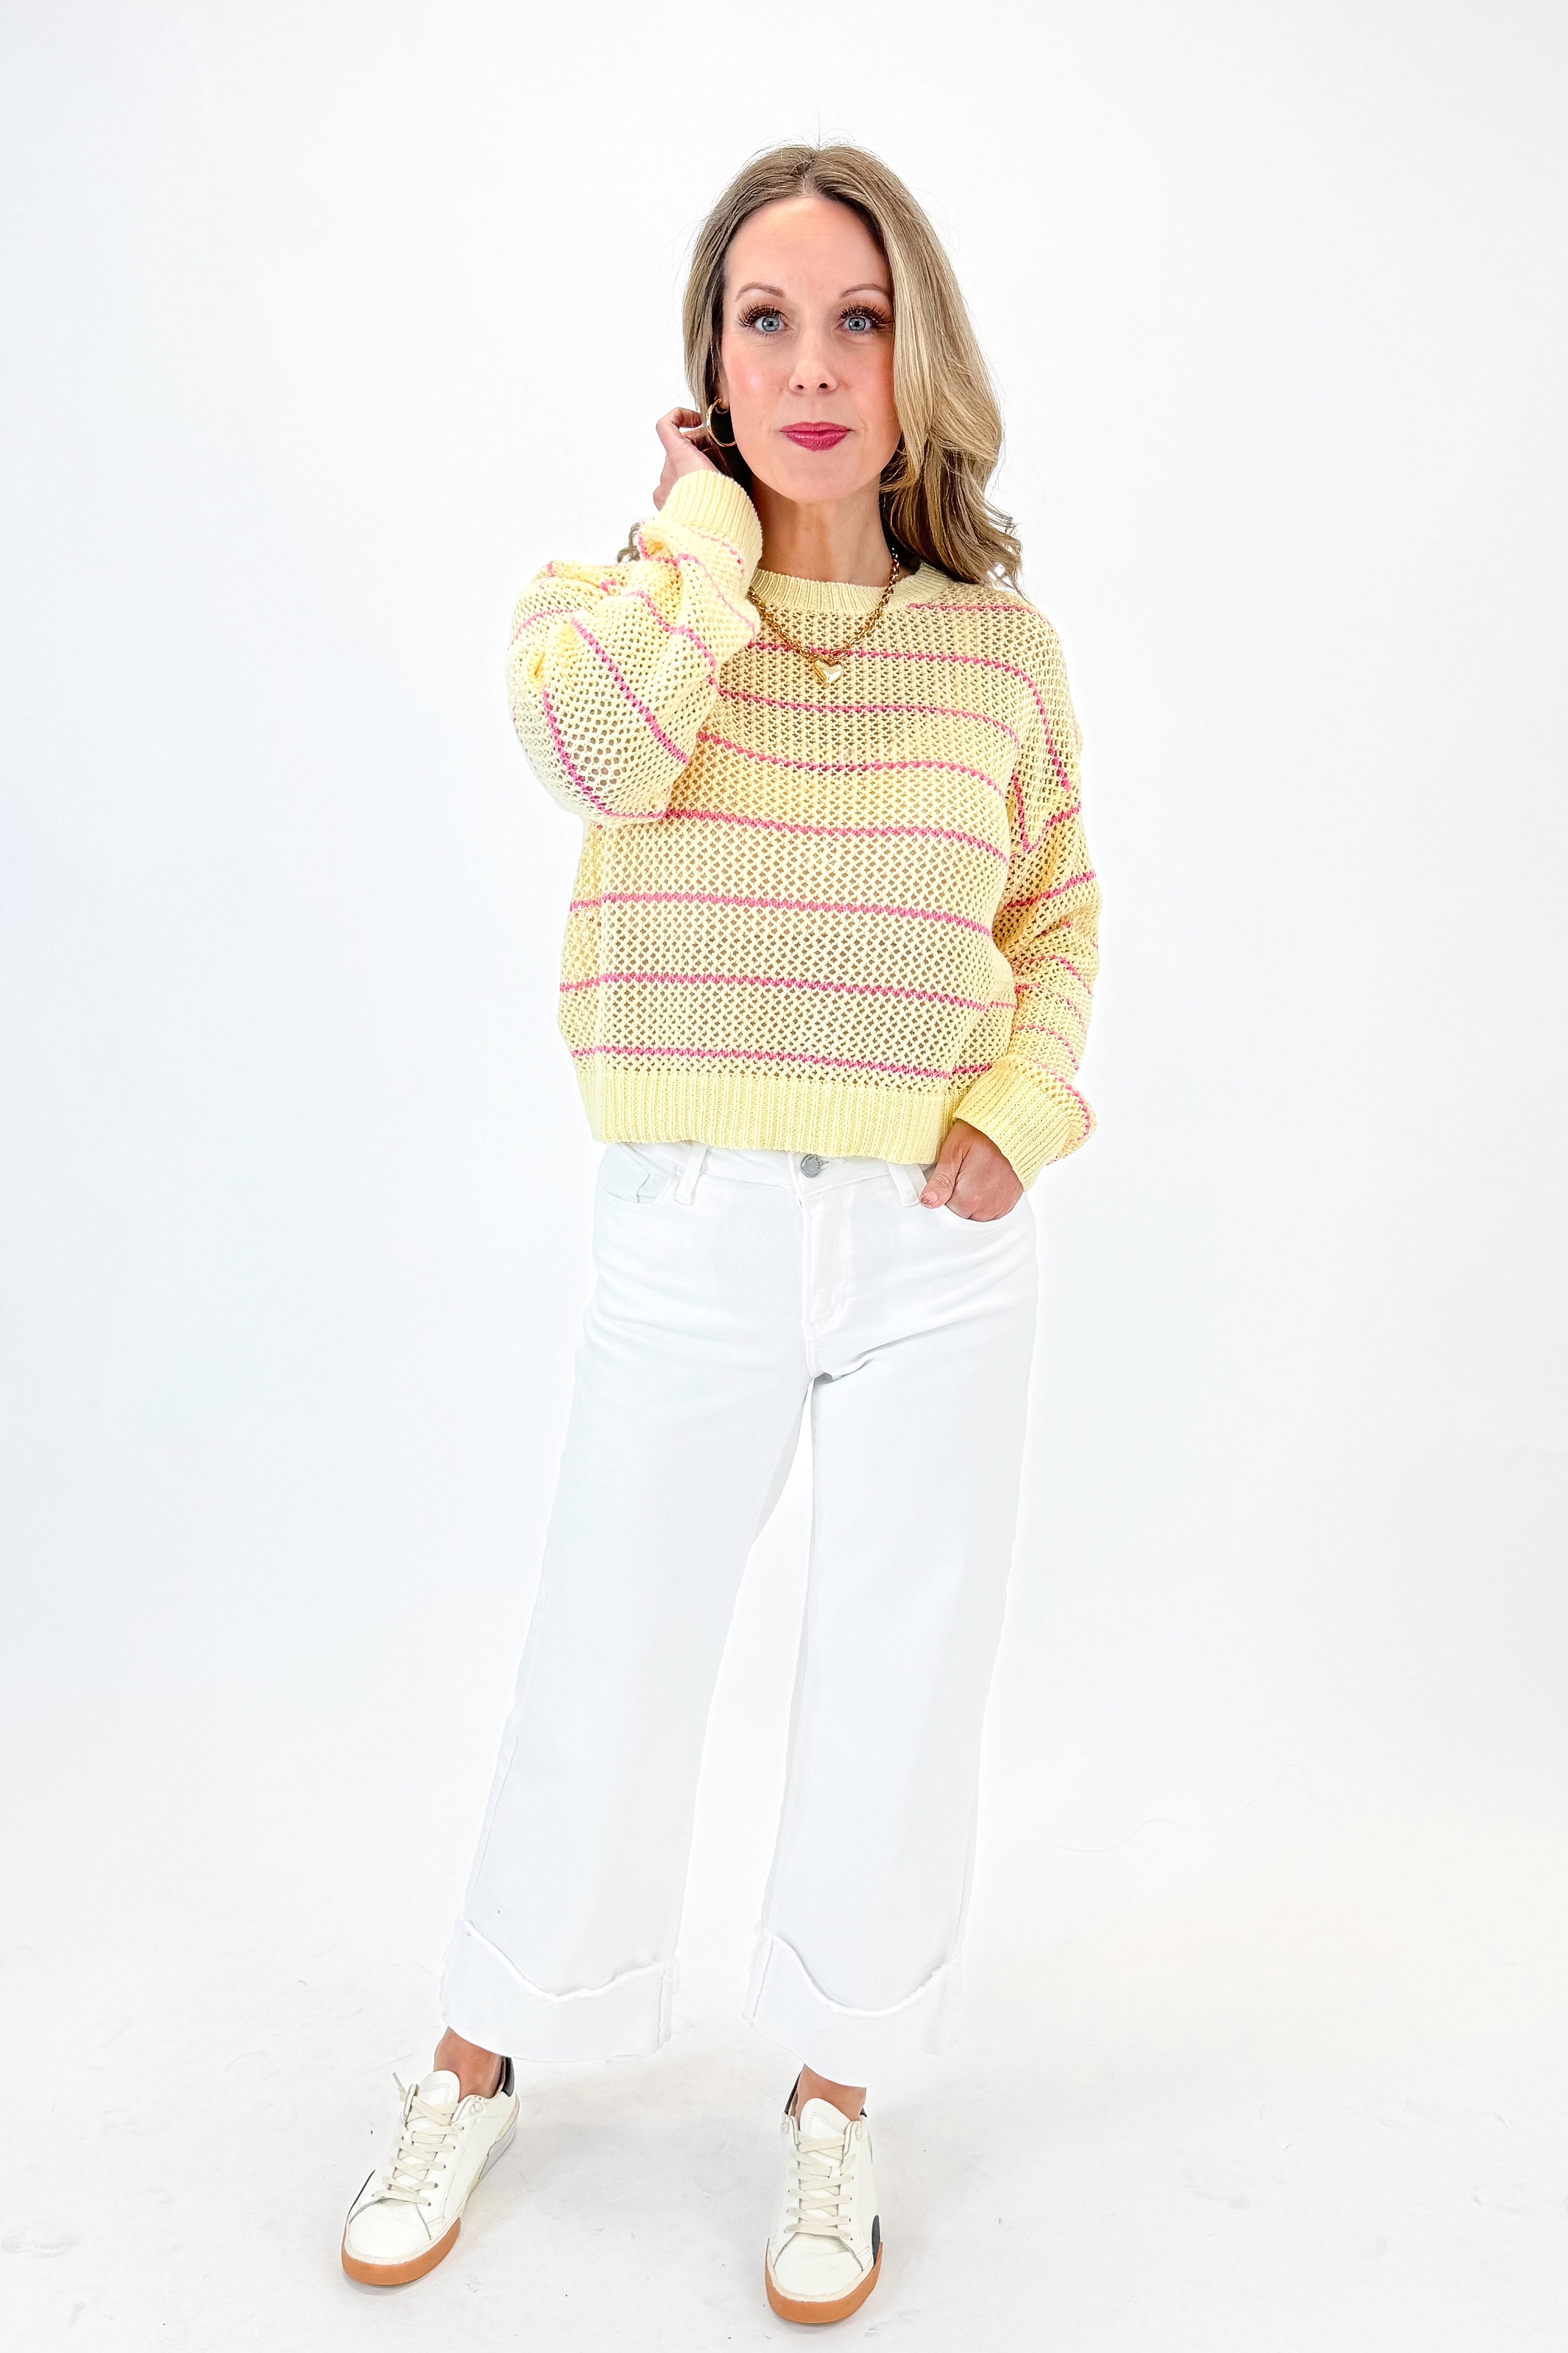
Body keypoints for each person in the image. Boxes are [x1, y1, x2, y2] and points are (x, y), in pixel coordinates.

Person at [338, 140, 1100, 2325]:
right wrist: (692, 535)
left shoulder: (997, 654)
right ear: (704, 363)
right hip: (688, 1226)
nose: (811, 361)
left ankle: (832, 2095)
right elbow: (590, 755)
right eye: (760, 318)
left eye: (853, 315)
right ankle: (474, 2049)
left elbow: (1055, 912)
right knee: (605, 1645)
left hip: (932, 1246)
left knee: (897, 1676)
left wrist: (1015, 1113)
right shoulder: (619, 610)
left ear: (915, 347)